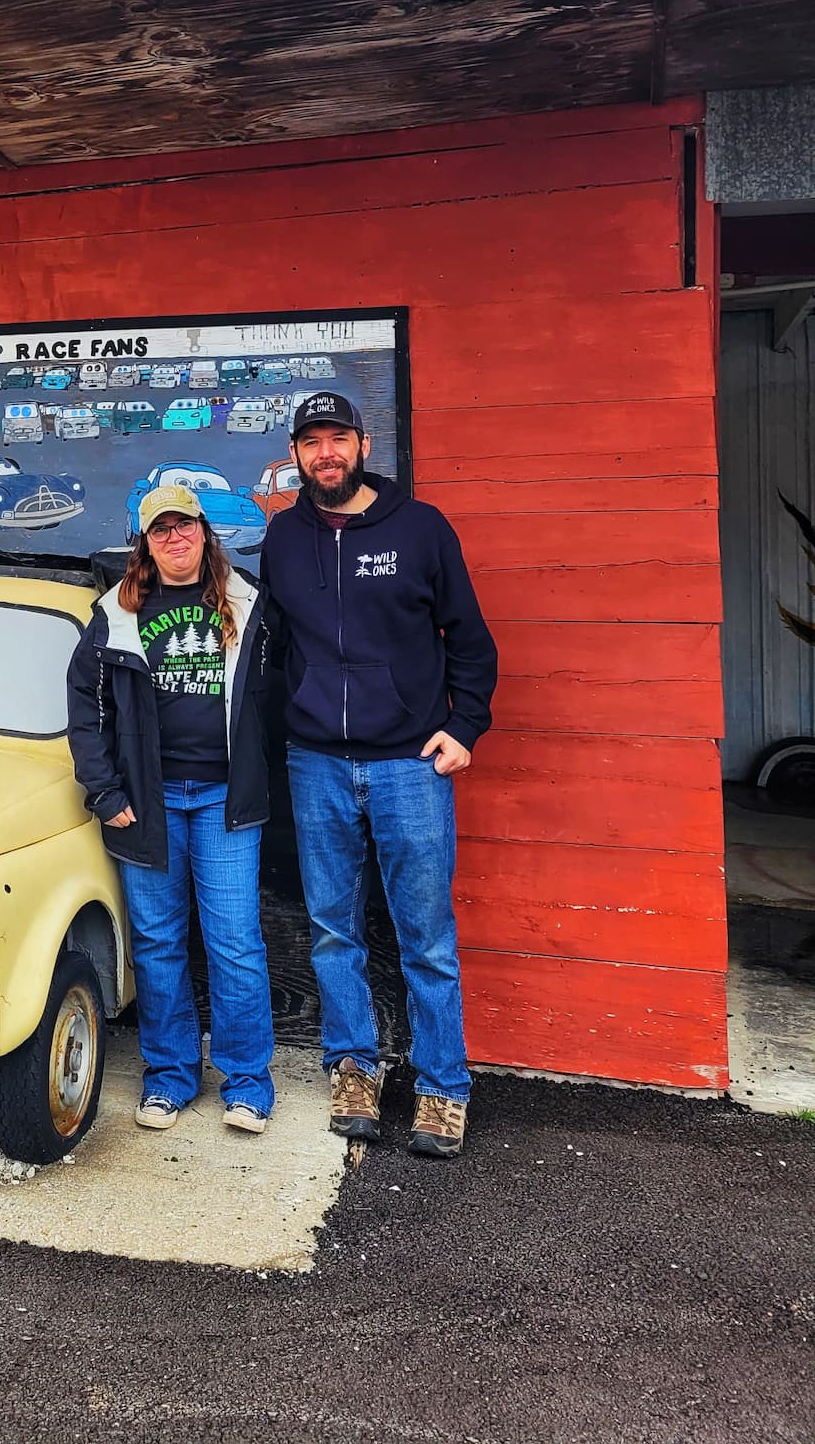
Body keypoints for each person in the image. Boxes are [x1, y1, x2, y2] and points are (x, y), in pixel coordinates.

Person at [260, 391, 497, 1160]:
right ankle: (354, 1069)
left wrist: (464, 726)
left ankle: (443, 1086)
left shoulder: (420, 528)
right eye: (312, 441)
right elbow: (274, 643)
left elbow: (469, 637)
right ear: (296, 454)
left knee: (425, 936)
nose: (326, 452)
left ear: (363, 445)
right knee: (334, 931)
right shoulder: (283, 536)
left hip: (408, 764)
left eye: (338, 438)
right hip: (317, 763)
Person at [67, 481, 277, 1134]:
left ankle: (248, 1081)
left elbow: (281, 691)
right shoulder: (116, 615)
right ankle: (170, 1076)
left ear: (205, 533)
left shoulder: (246, 601)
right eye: (161, 529)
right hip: (147, 804)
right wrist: (105, 793)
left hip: (225, 801)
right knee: (158, 945)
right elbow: (85, 710)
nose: (175, 537)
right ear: (145, 543)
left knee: (235, 943)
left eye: (185, 525)